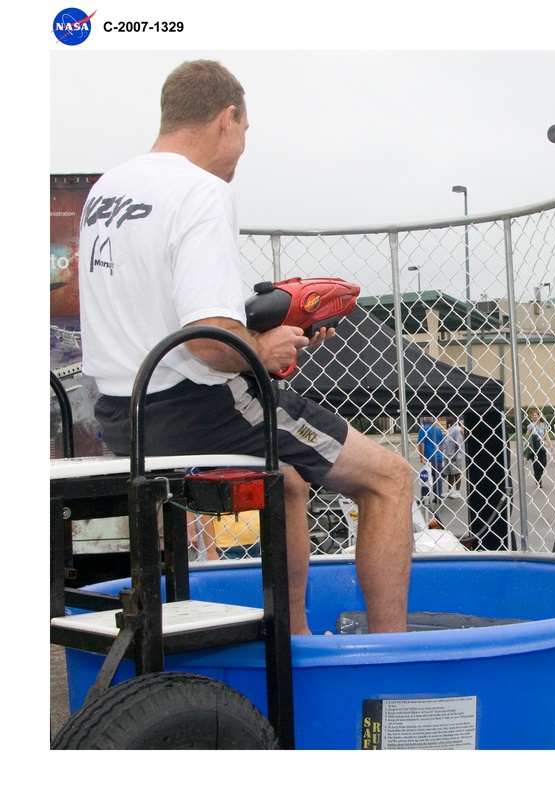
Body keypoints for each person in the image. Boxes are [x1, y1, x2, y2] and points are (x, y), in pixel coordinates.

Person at [77, 60, 412, 635]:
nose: (240, 152)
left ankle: (295, 634)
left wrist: (266, 331)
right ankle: (393, 657)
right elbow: (209, 344)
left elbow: (149, 307)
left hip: (120, 411)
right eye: (246, 134)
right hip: (194, 408)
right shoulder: (200, 192)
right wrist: (266, 347)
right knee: (390, 478)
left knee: (289, 482)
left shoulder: (109, 188)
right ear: (228, 118)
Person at [417, 416, 445, 502]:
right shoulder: (438, 430)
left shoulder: (423, 430)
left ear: (425, 421)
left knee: (425, 477)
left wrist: (422, 457)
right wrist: (440, 454)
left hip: (428, 457)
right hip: (438, 457)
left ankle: (425, 497)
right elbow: (442, 445)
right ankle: (438, 496)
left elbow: (422, 444)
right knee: (437, 478)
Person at [526, 409, 554, 488]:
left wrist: (551, 445)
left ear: (539, 416)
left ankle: (539, 475)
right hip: (534, 447)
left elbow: (547, 436)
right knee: (537, 465)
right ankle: (538, 481)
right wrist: (534, 438)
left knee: (543, 464)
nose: (534, 416)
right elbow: (527, 436)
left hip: (542, 447)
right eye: (533, 415)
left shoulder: (544, 425)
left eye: (536, 415)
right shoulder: (531, 425)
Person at [441, 415, 465, 500]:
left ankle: (457, 491)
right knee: (450, 474)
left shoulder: (457, 429)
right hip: (448, 455)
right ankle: (450, 490)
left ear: (455, 419)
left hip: (455, 456)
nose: (447, 418)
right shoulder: (449, 429)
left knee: (456, 473)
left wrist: (455, 455)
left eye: (449, 417)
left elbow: (458, 444)